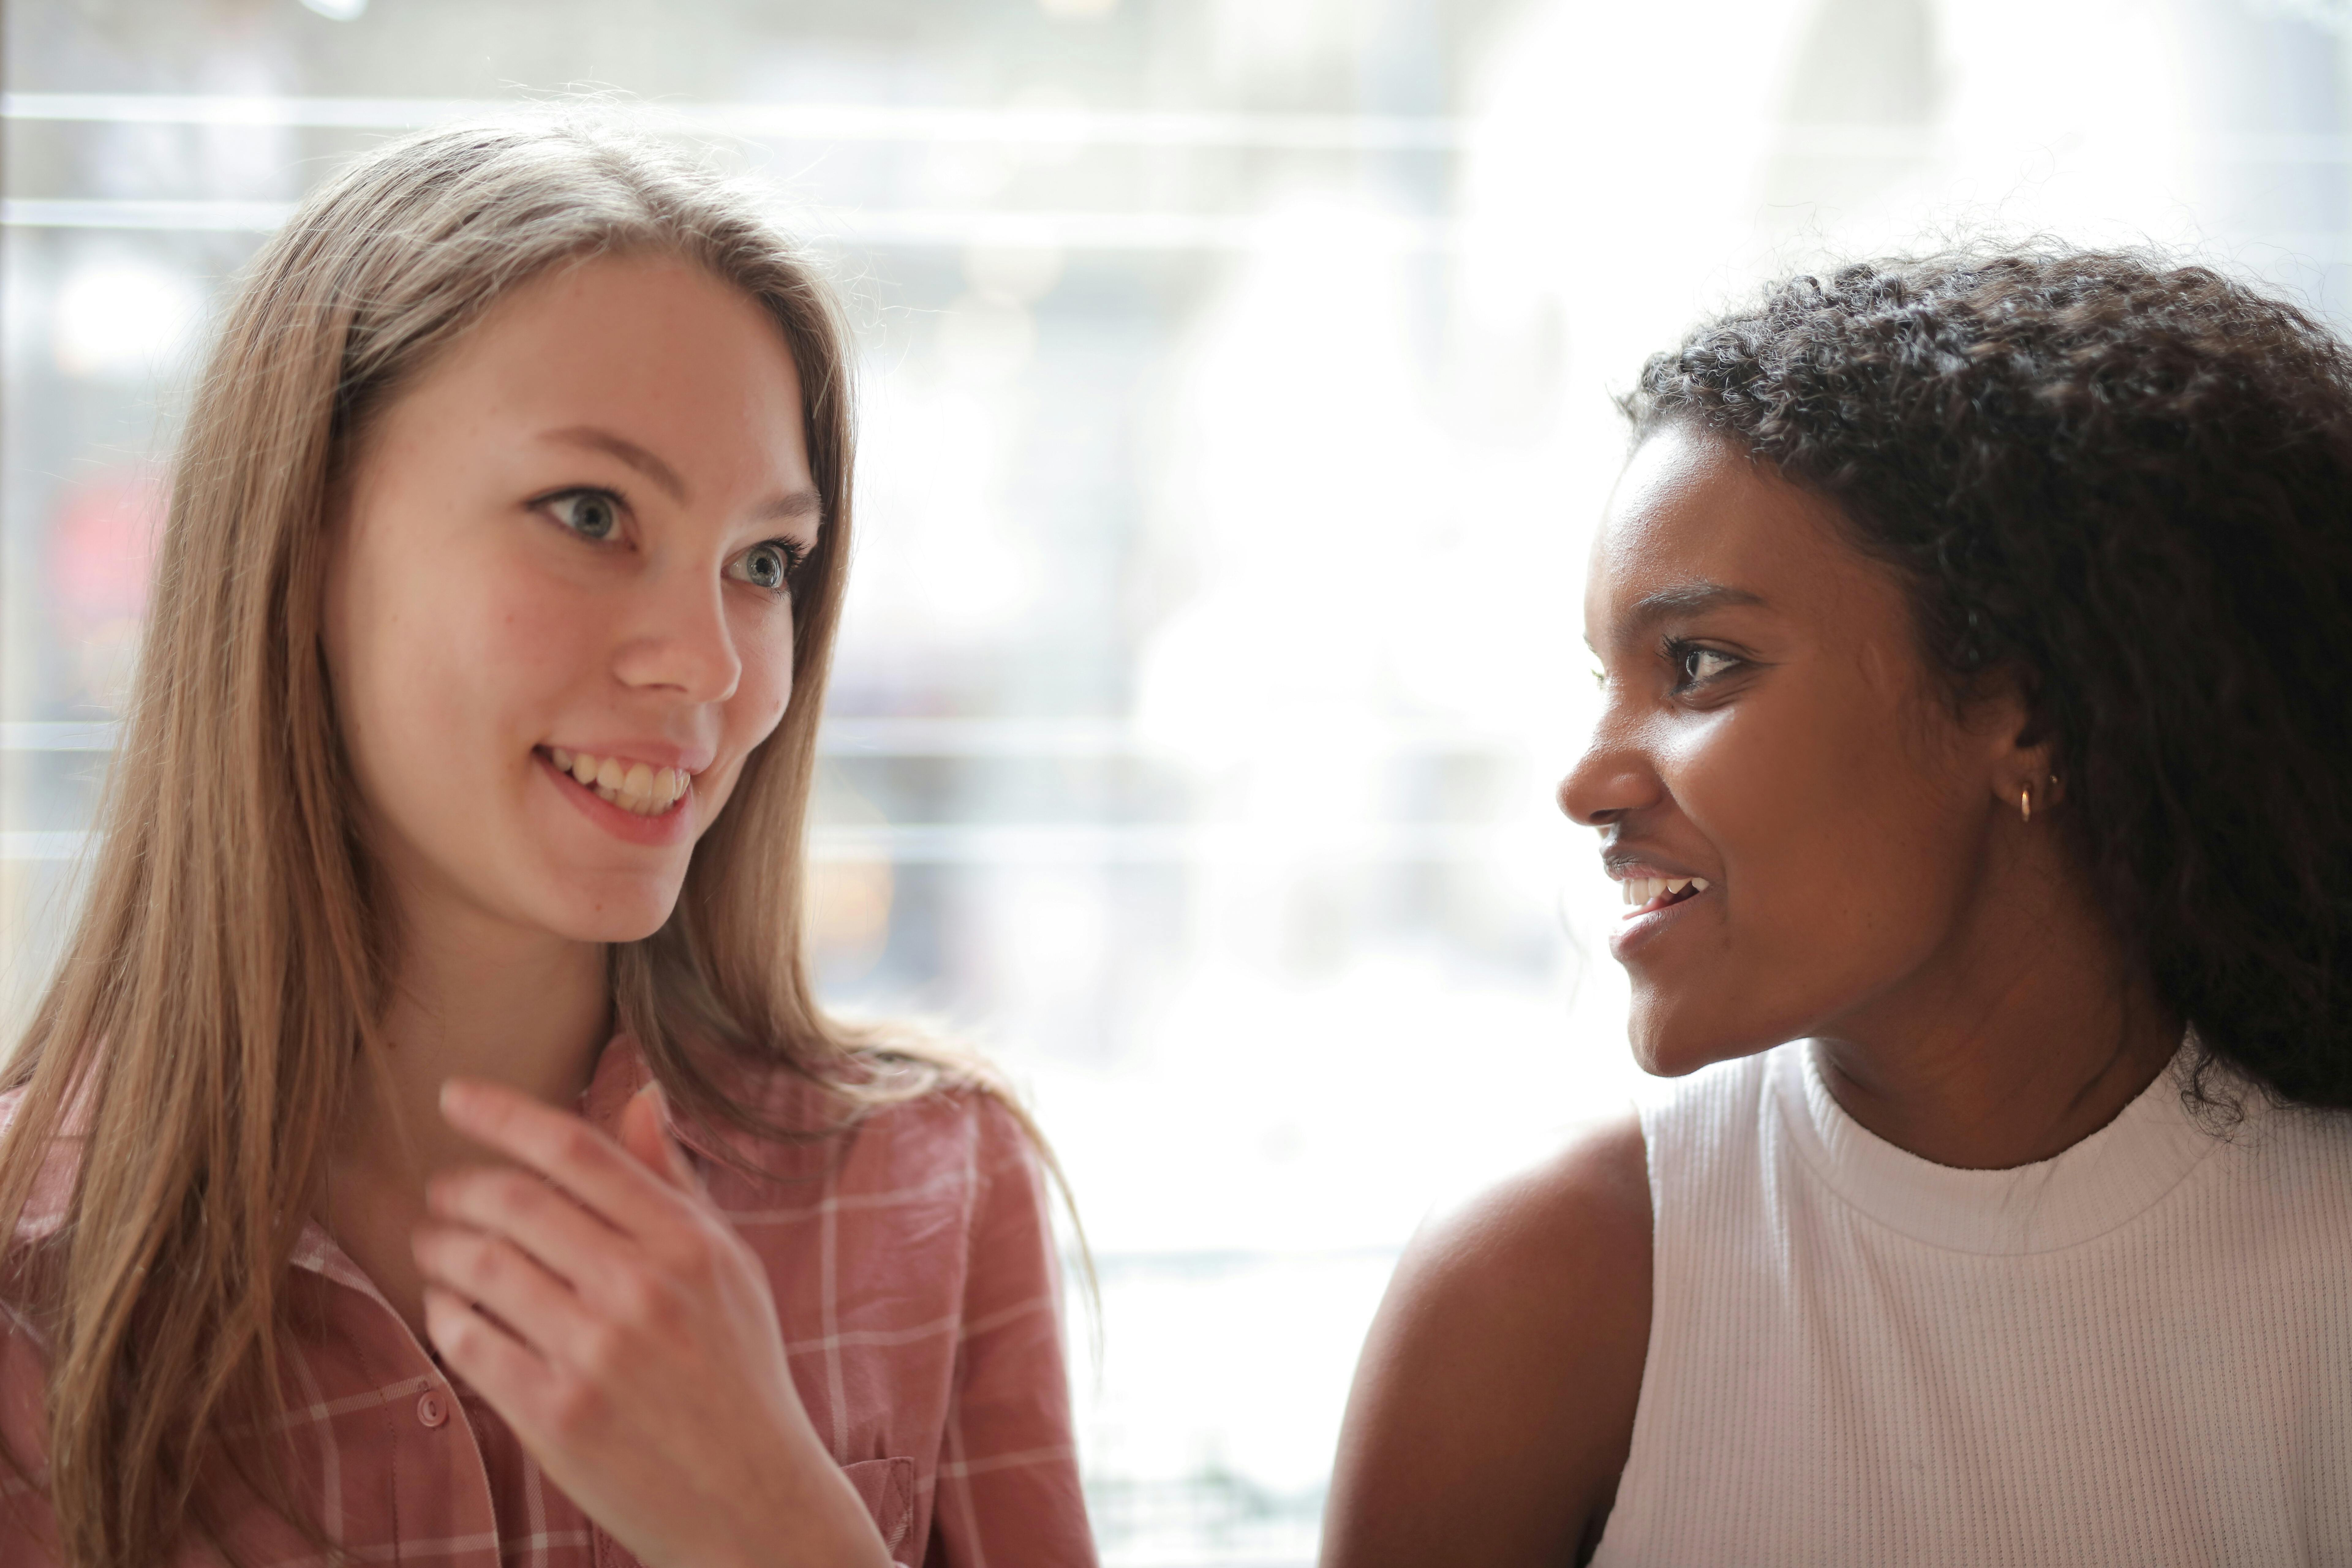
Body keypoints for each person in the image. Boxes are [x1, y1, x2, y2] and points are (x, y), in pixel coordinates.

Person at [0, 115, 1095, 1568]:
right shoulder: (30, 1287)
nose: (710, 664)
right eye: (592, 514)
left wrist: (776, 1527)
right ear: (305, 537)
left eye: (764, 562)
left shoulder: (937, 1191)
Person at [1321, 249, 2352, 1566]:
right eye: (1605, 676)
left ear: (2026, 711)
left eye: (1697, 665)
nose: (1586, 779)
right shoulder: (1541, 1297)